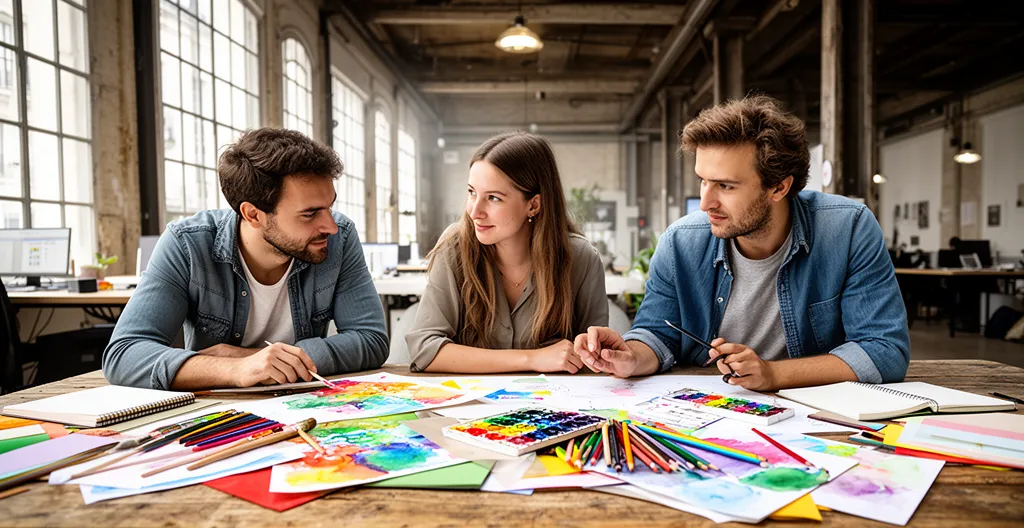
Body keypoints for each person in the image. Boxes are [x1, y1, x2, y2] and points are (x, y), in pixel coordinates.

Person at [574, 95, 910, 390]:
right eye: (703, 181)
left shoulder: (847, 228)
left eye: (726, 186)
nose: (705, 203)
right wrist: (629, 357)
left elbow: (884, 350)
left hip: (820, 418)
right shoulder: (680, 242)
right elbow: (657, 334)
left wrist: (773, 374)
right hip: (707, 414)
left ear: (779, 187)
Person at [103, 128, 389, 389]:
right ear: (253, 214)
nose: (331, 226)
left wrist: (258, 360)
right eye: (310, 213)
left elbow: (371, 339)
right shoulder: (187, 244)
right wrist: (235, 370)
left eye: (329, 206)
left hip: (307, 403)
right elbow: (125, 354)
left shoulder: (340, 239)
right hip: (219, 414)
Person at [405, 131, 608, 373]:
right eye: (472, 193)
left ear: (533, 205)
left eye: (493, 198)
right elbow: (426, 350)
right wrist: (531, 359)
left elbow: (593, 360)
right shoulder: (455, 248)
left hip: (551, 406)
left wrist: (592, 352)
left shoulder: (581, 258)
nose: (475, 211)